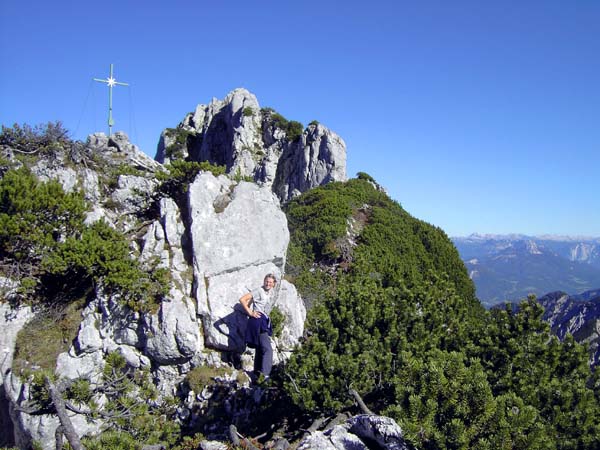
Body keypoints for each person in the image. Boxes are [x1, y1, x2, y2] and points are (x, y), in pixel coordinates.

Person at [240, 274, 276, 381]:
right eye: (266, 281)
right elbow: (243, 299)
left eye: (270, 282)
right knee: (267, 349)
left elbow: (253, 302)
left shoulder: (269, 293)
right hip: (258, 322)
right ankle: (265, 375)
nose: (268, 283)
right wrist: (251, 312)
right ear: (264, 281)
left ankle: (256, 373)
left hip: (264, 321)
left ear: (273, 284)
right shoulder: (259, 291)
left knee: (260, 348)